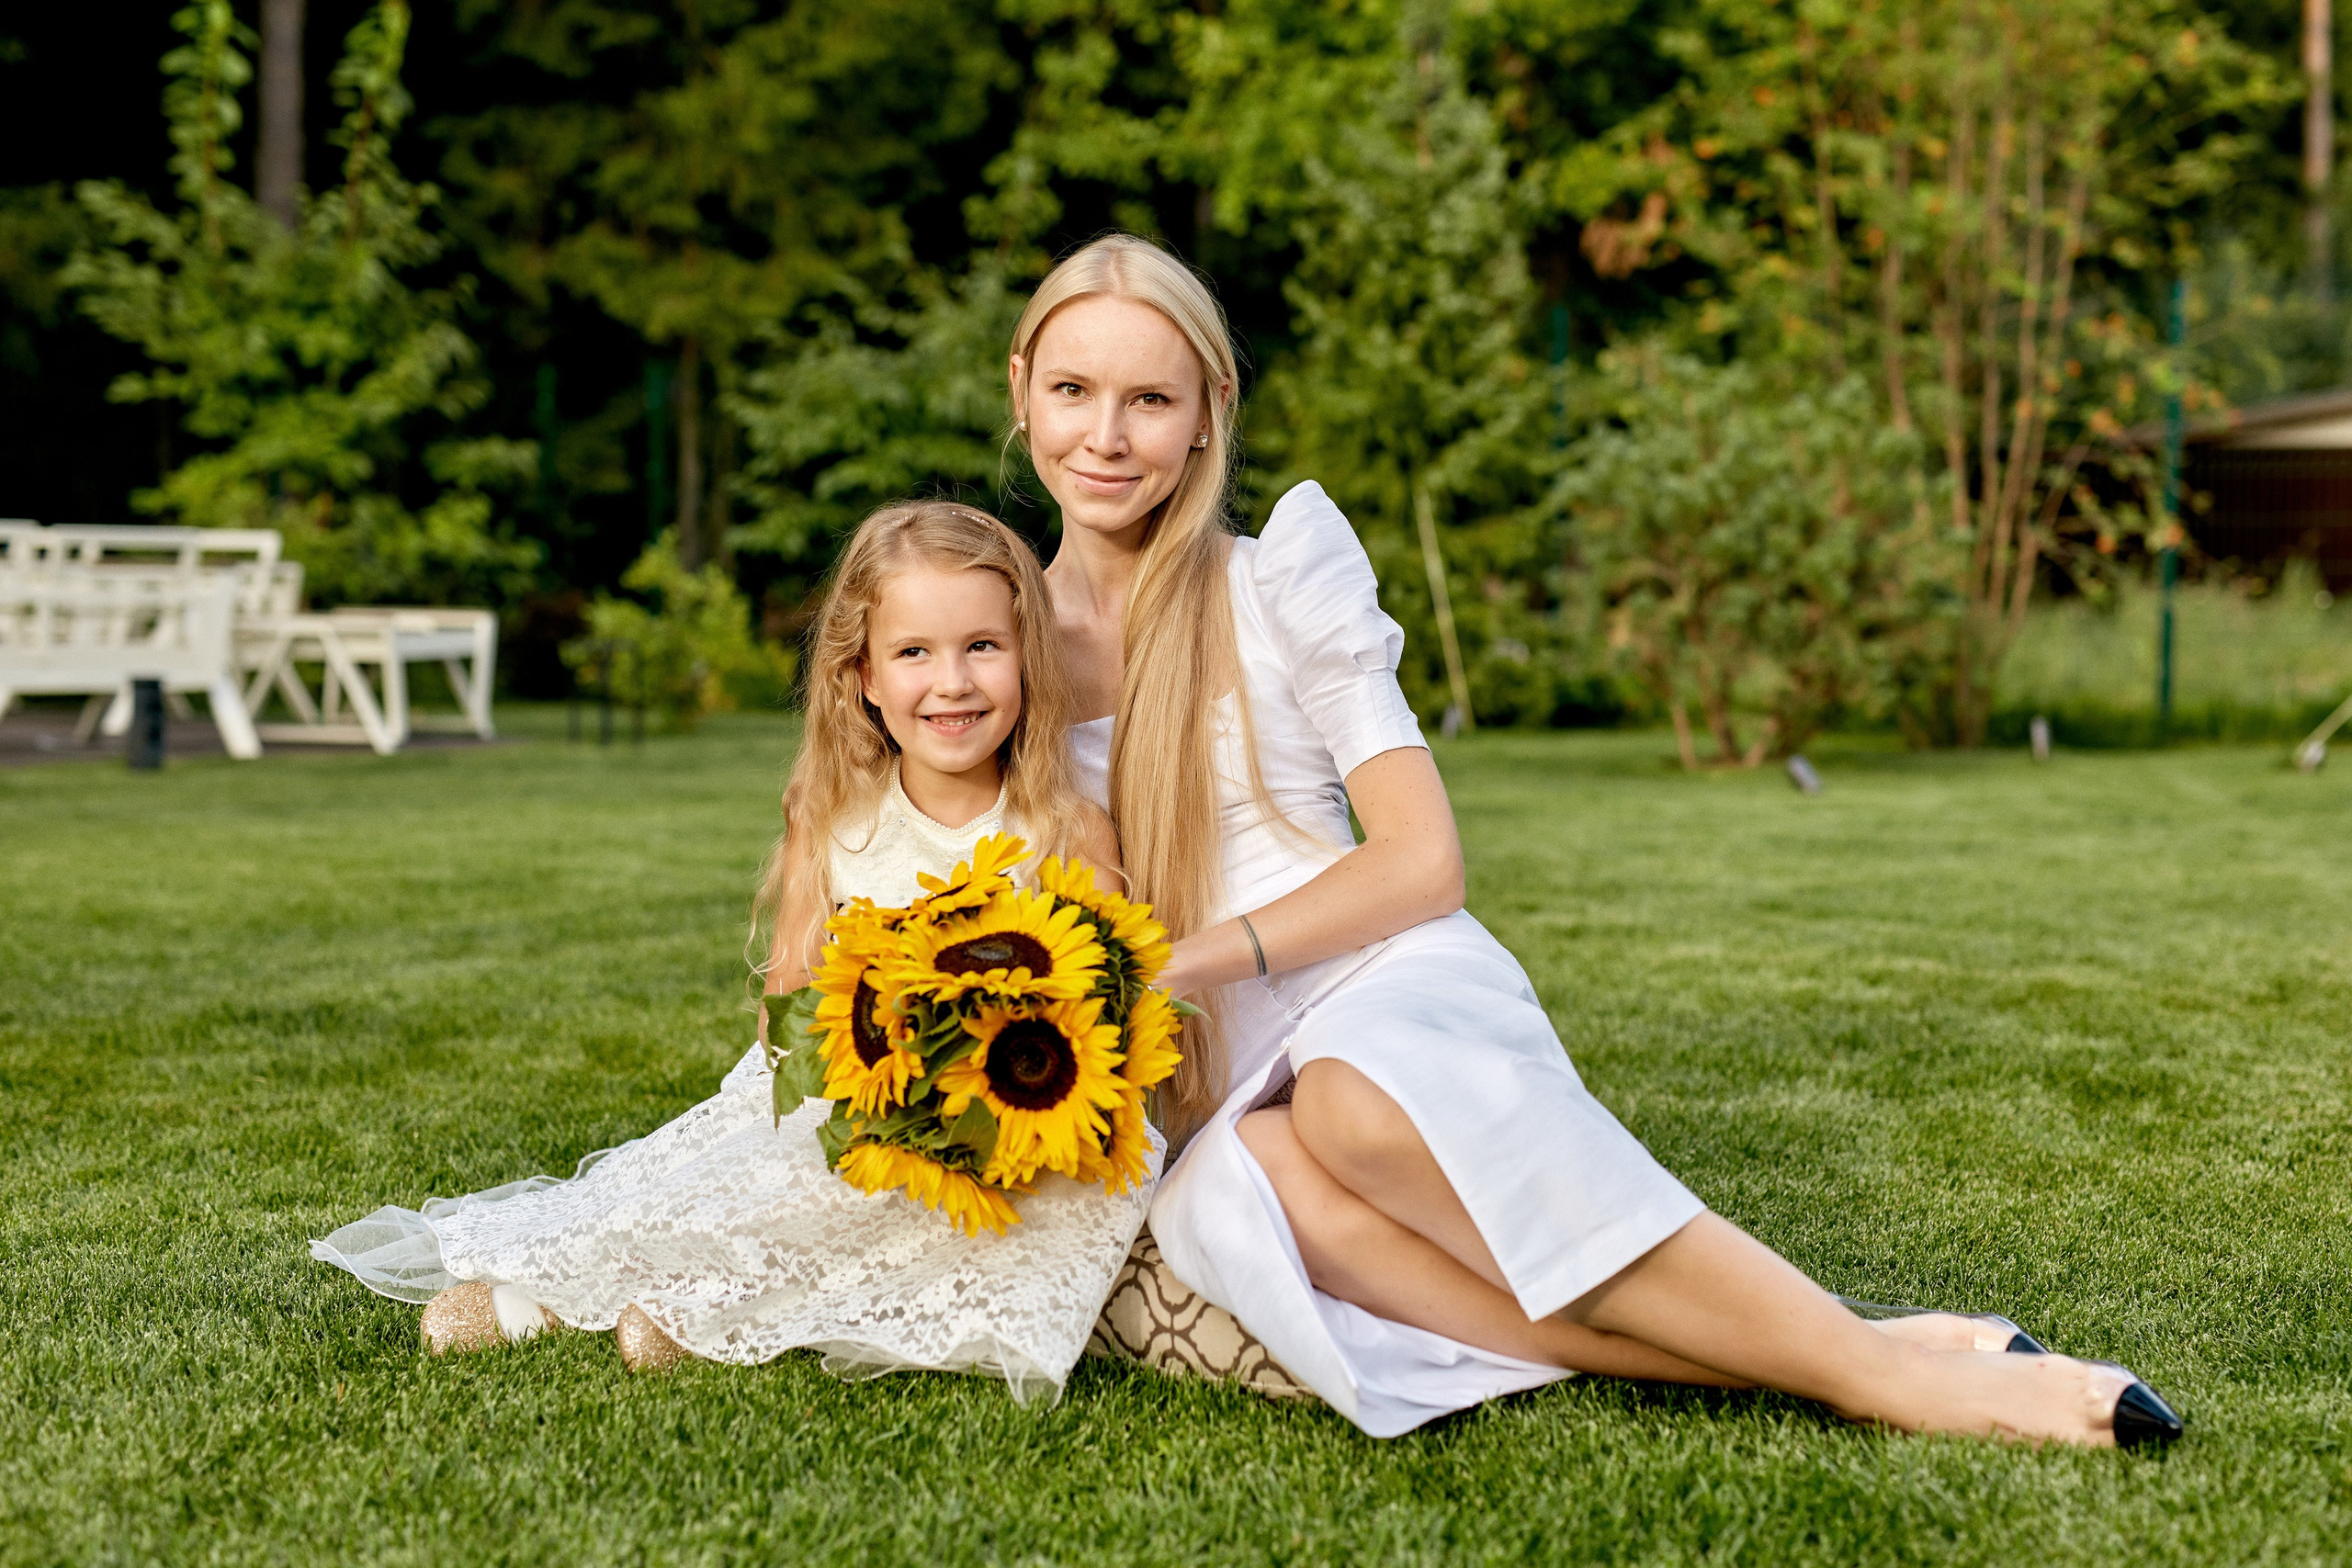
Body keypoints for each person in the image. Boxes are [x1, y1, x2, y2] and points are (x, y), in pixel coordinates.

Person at [1013, 233, 2183, 1446]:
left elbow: (1422, 862)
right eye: (1074, 391)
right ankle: (1872, 1348)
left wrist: (1183, 961)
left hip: (1376, 977)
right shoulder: (987, 642)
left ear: (1211, 410)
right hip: (1220, 1075)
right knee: (1254, 1189)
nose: (1106, 435)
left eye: (1149, 399)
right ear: (1022, 393)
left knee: (1352, 1106)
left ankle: (1902, 1385)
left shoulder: (1277, 582)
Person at [310, 502, 1151, 1401]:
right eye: (914, 652)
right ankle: (553, 1291)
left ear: (1028, 658)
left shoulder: (1065, 829)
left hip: (1014, 1125)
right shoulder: (840, 822)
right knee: (748, 1187)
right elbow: (789, 1006)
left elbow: (1107, 1002)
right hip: (846, 1097)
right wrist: (874, 1092)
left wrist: (981, 1106)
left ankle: (703, 1308)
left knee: (989, 1222)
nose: (952, 682)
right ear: (864, 676)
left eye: (983, 646)